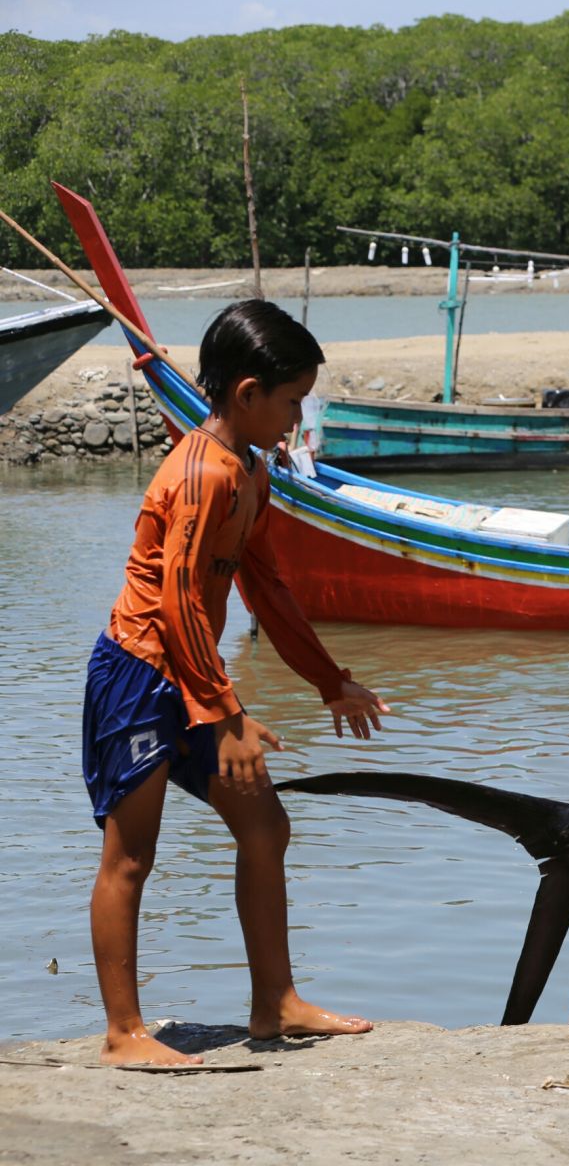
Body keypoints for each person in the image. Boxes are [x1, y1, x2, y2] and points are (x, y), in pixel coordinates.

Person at [82, 300, 390, 1066]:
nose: (295, 418)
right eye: (291, 402)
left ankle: (275, 1003)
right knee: (131, 854)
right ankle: (124, 1035)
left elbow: (268, 589)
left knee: (265, 826)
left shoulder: (250, 470)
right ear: (248, 393)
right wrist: (225, 717)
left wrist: (330, 681)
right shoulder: (200, 473)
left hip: (192, 675)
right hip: (140, 675)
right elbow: (177, 598)